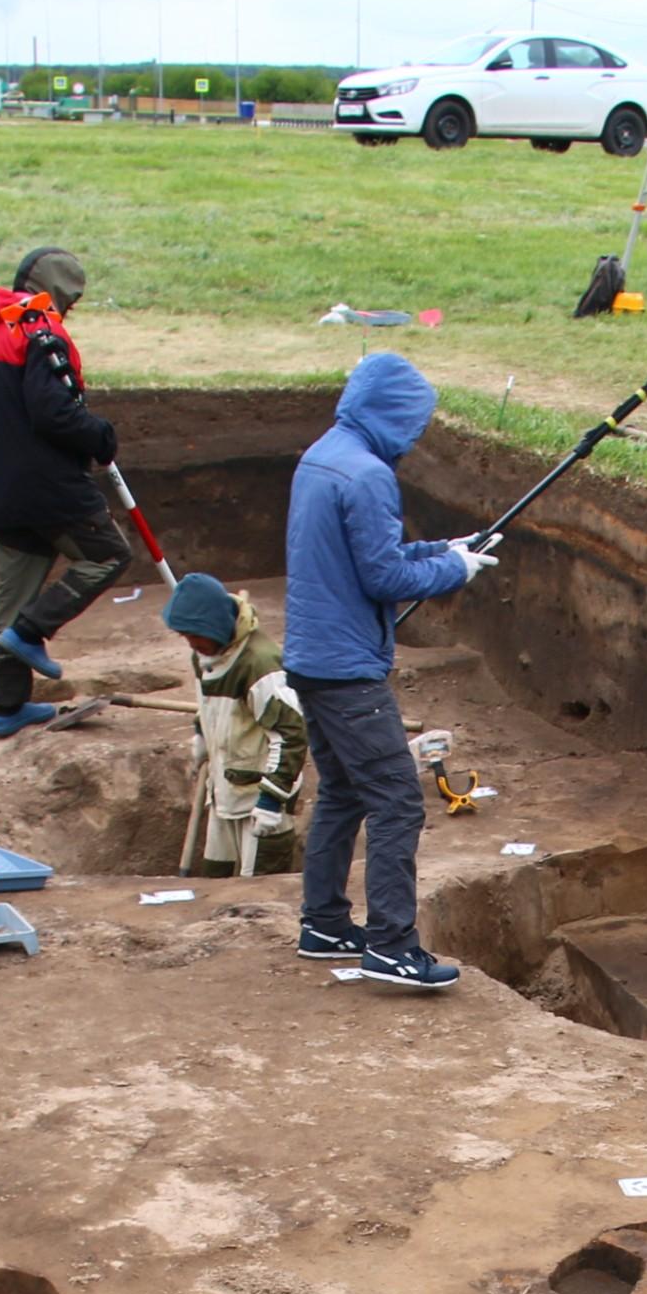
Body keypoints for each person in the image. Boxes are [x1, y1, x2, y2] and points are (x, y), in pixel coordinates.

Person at [280, 353, 496, 991]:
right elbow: (384, 578)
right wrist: (454, 573)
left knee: (344, 793)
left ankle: (322, 923)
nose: (417, 436)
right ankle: (393, 947)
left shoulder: (323, 456)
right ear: (395, 416)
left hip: (312, 659)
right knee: (397, 802)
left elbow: (368, 556)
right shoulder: (370, 475)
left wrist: (445, 551)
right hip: (348, 670)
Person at [0, 247, 128, 735]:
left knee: (13, 593)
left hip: (0, 487)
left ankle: (8, 708)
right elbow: (54, 412)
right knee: (108, 555)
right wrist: (99, 435)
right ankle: (31, 632)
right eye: (70, 299)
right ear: (53, 291)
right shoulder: (39, 330)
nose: (70, 309)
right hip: (49, 486)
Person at [162, 573, 310, 878]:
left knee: (258, 897)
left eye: (195, 634)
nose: (192, 643)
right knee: (217, 887)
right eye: (185, 636)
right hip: (223, 793)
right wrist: (202, 735)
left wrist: (272, 800)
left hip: (260, 803)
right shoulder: (205, 656)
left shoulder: (260, 665)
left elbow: (292, 734)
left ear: (214, 625)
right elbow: (208, 704)